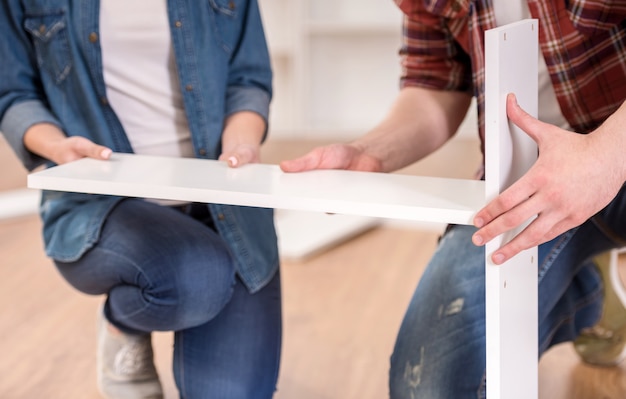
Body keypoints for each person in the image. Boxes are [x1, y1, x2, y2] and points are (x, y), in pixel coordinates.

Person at [280, 0, 626, 398]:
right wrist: (370, 152)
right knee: (428, 388)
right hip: (531, 180)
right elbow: (436, 85)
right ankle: (589, 293)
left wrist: (604, 156)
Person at [0, 1, 281, 398]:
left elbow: (248, 79)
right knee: (196, 275)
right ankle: (123, 323)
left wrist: (241, 143)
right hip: (102, 205)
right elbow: (12, 93)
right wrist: (57, 146)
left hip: (223, 206)